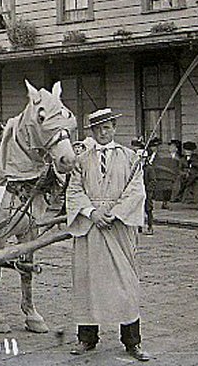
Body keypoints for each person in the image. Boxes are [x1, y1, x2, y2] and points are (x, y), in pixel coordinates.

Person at [66, 108, 151, 361]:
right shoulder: (81, 160)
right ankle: (87, 338)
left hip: (118, 227)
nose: (102, 133)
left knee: (125, 283)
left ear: (114, 128)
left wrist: (113, 214)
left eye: (106, 128)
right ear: (91, 132)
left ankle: (131, 341)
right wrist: (92, 213)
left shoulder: (130, 158)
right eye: (97, 129)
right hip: (91, 227)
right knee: (87, 282)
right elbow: (74, 190)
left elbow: (136, 191)